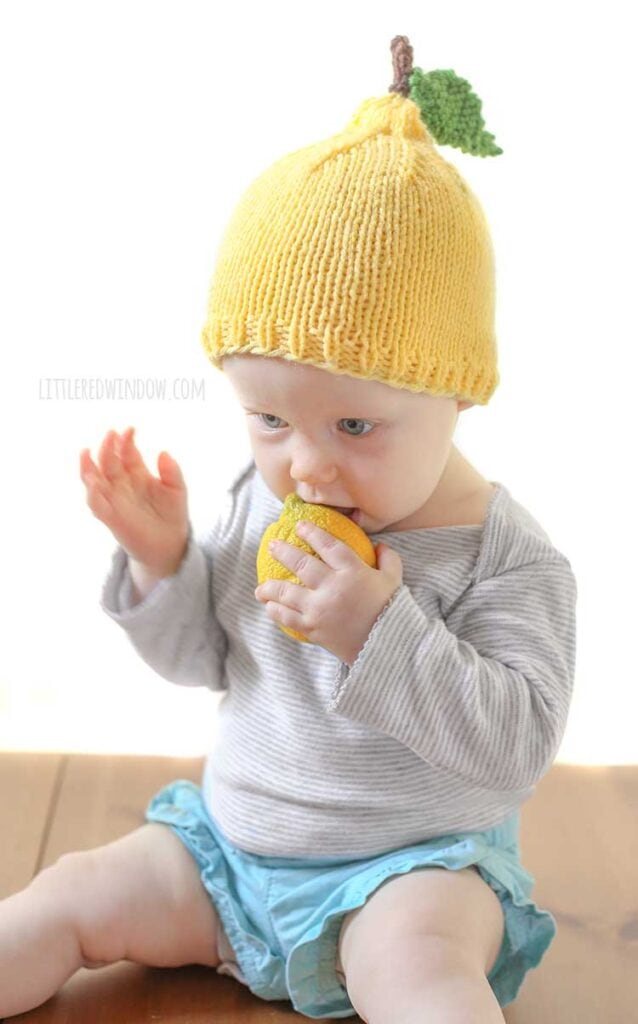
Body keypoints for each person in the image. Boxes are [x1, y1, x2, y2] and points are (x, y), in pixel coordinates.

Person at [0, 36, 577, 1023]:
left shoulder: (505, 561)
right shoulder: (263, 502)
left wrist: (376, 629)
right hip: (228, 858)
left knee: (417, 967)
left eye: (353, 425)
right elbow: (210, 660)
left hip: (410, 870)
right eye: (268, 419)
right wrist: (165, 559)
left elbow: (512, 748)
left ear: (457, 391)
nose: (305, 466)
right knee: (69, 894)